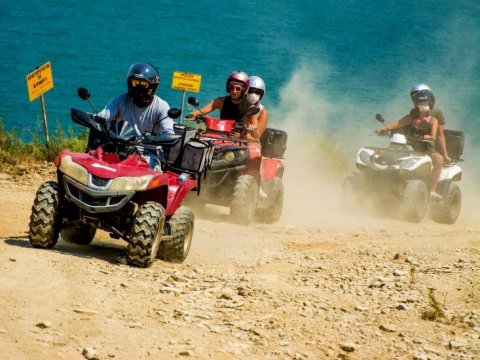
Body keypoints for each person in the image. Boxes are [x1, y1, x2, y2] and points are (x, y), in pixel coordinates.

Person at [96, 62, 174, 170]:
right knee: (96, 158)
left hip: (149, 151)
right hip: (121, 147)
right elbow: (103, 116)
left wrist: (155, 139)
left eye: (143, 84)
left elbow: (169, 133)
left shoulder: (162, 106)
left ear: (152, 86)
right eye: (135, 82)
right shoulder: (122, 100)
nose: (138, 87)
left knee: (147, 172)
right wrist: (93, 120)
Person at [375, 89, 444, 201]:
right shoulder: (411, 117)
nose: (423, 105)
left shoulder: (433, 120)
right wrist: (384, 128)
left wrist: (428, 137)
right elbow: (398, 123)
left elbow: (434, 136)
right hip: (408, 147)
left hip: (425, 149)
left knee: (438, 159)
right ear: (416, 104)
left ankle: (432, 191)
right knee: (388, 155)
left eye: (425, 103)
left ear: (430, 103)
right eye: (420, 103)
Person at [409, 84, 451, 163]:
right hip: (413, 145)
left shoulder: (437, 113)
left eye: (418, 94)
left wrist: (445, 155)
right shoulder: (413, 111)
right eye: (414, 96)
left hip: (428, 147)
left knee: (438, 159)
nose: (416, 98)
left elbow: (440, 135)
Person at [240, 75, 268, 142]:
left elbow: (256, 138)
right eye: (250, 91)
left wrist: (241, 136)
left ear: (261, 94)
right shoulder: (240, 105)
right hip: (232, 138)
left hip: (250, 143)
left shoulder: (262, 112)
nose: (253, 95)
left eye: (256, 92)